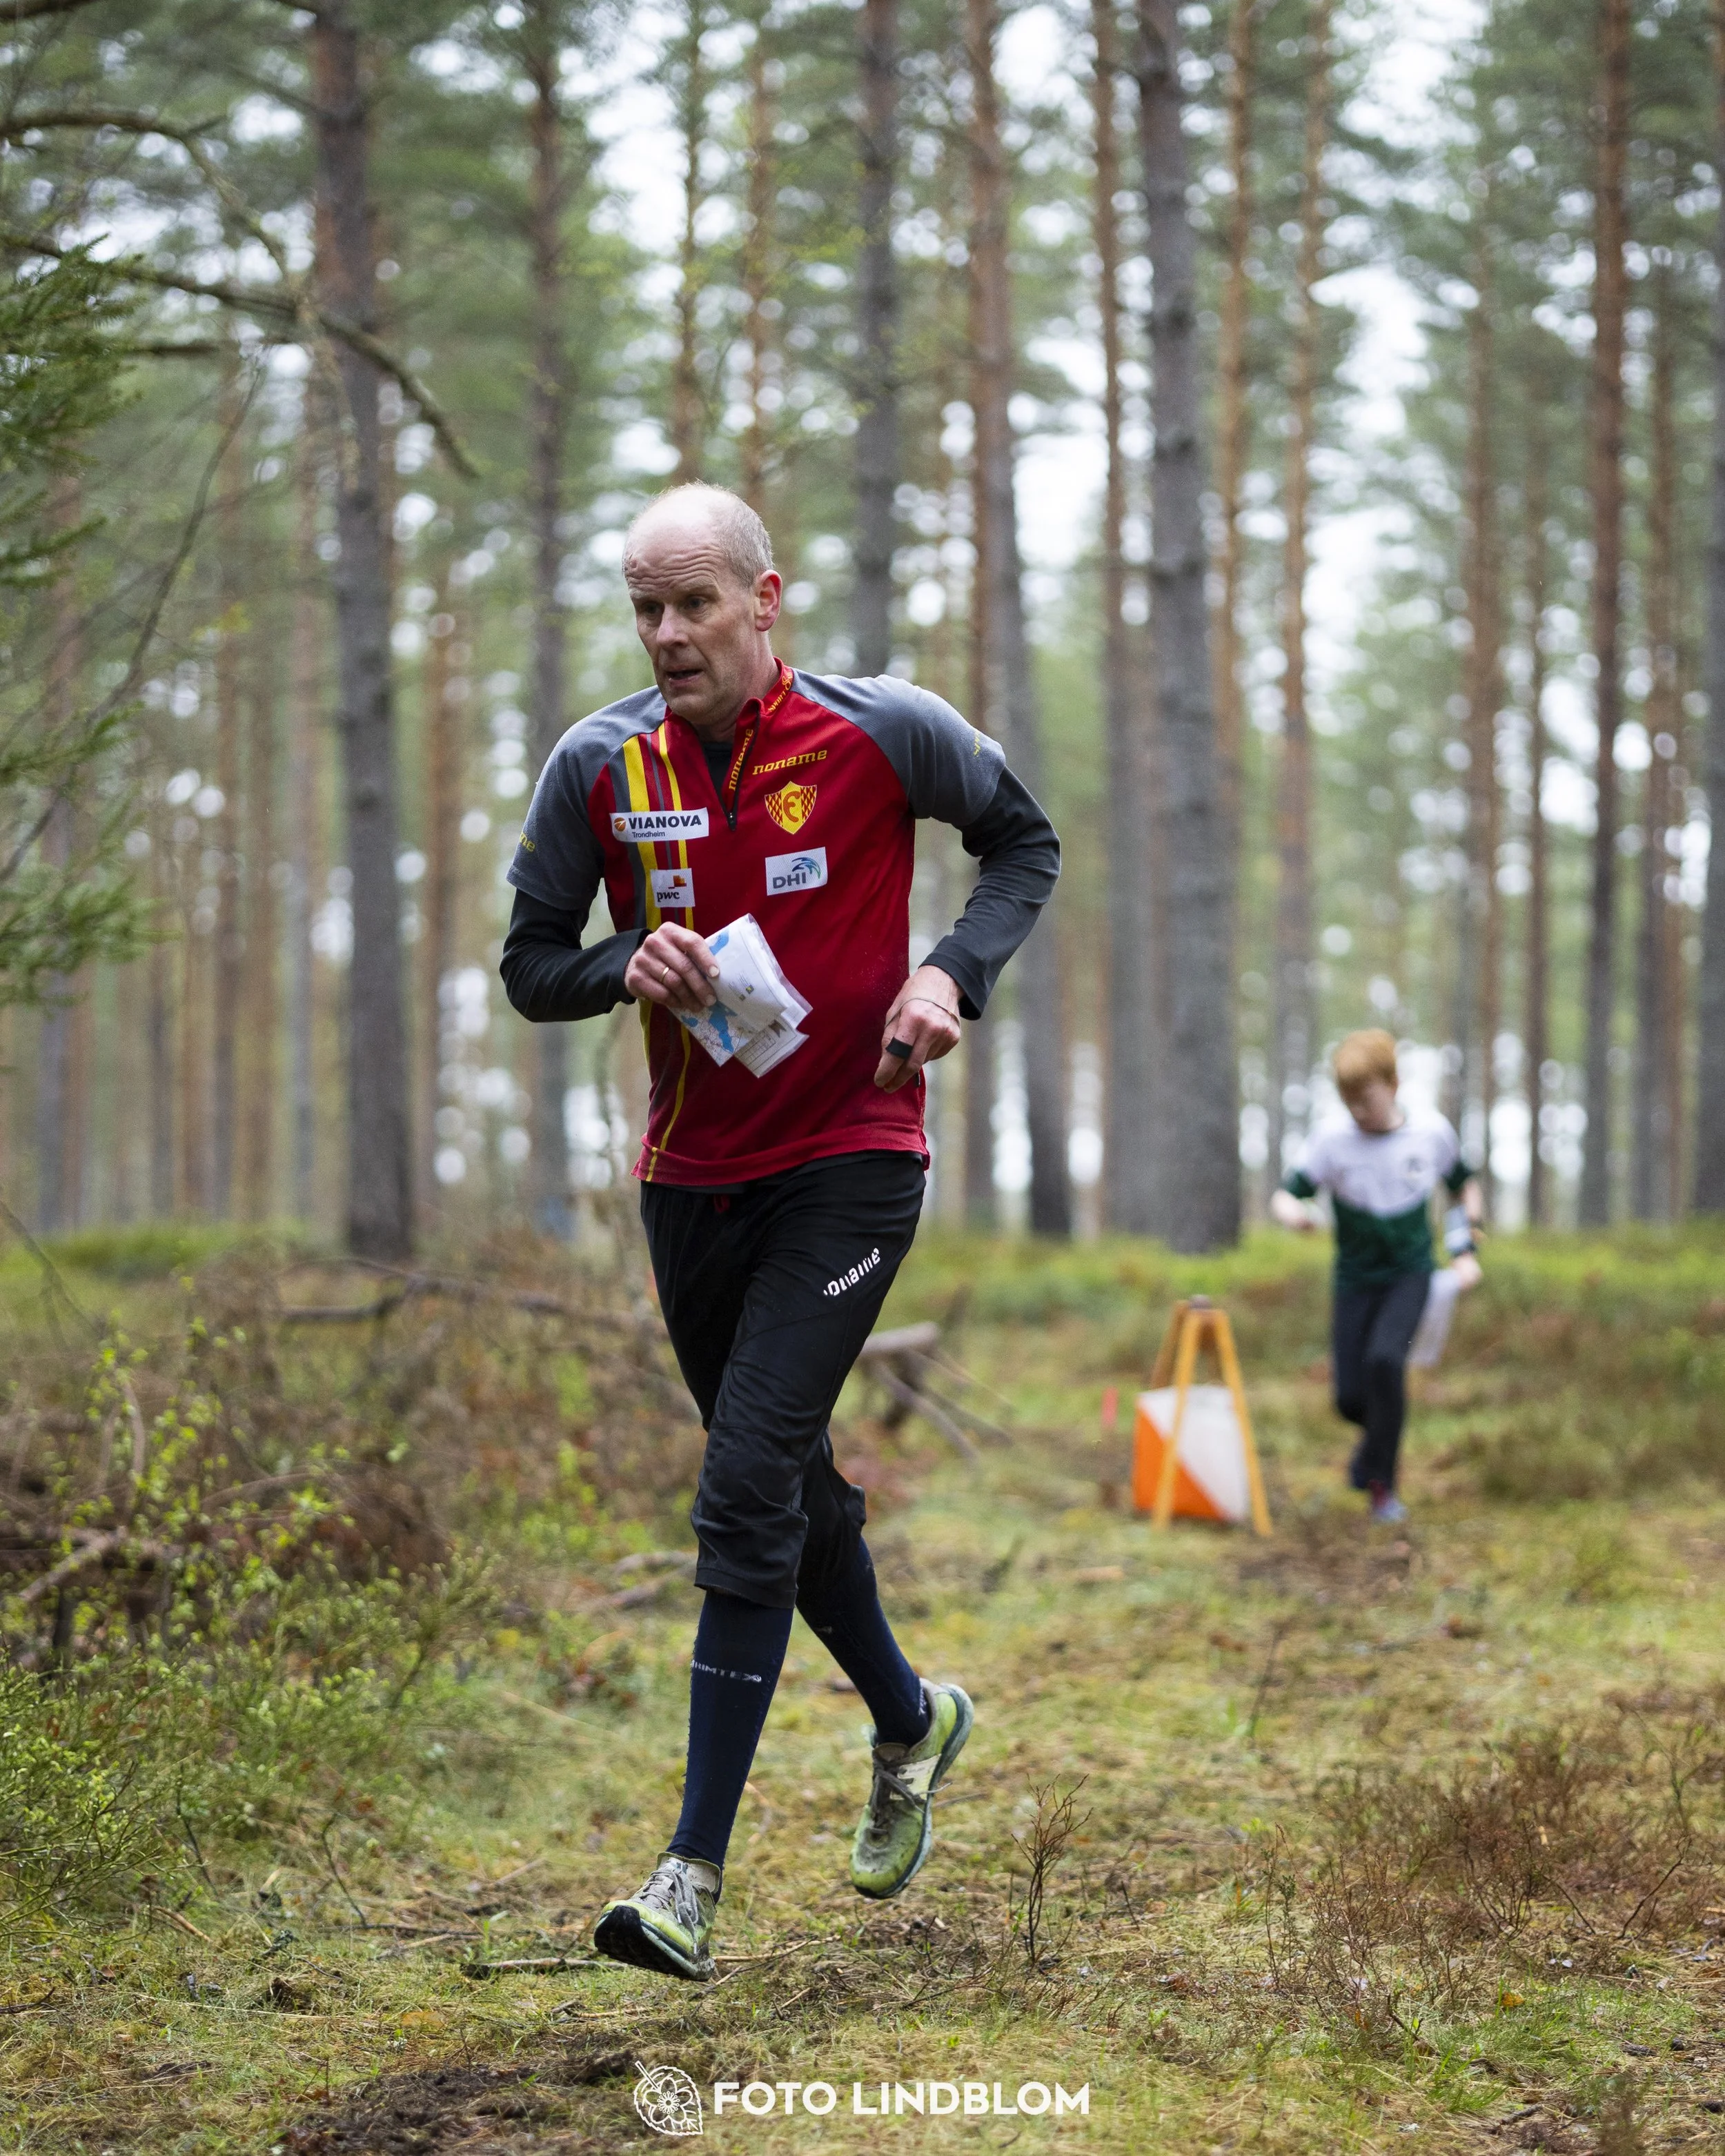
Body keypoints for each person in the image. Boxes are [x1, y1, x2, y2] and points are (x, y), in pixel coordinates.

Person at [499, 482, 1059, 1981]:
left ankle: (686, 1872)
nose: (666, 633)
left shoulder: (883, 730)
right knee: (786, 1481)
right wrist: (623, 964)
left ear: (766, 597)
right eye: (642, 606)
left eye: (692, 602)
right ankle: (909, 1715)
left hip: (854, 1153)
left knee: (741, 1476)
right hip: (691, 1176)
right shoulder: (598, 764)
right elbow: (527, 964)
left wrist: (947, 976)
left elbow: (1021, 843)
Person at [1268, 1029, 1482, 1525]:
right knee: (1350, 1398)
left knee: (1387, 1362)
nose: (1358, 1112)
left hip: (1411, 1273)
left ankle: (1383, 1487)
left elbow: (1464, 1187)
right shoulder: (1332, 1140)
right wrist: (1293, 1214)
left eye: (1365, 1099)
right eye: (1349, 1102)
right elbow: (1286, 1193)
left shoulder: (1430, 1134)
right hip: (1355, 1279)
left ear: (1394, 1083)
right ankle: (1372, 1451)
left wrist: (1465, 1247)